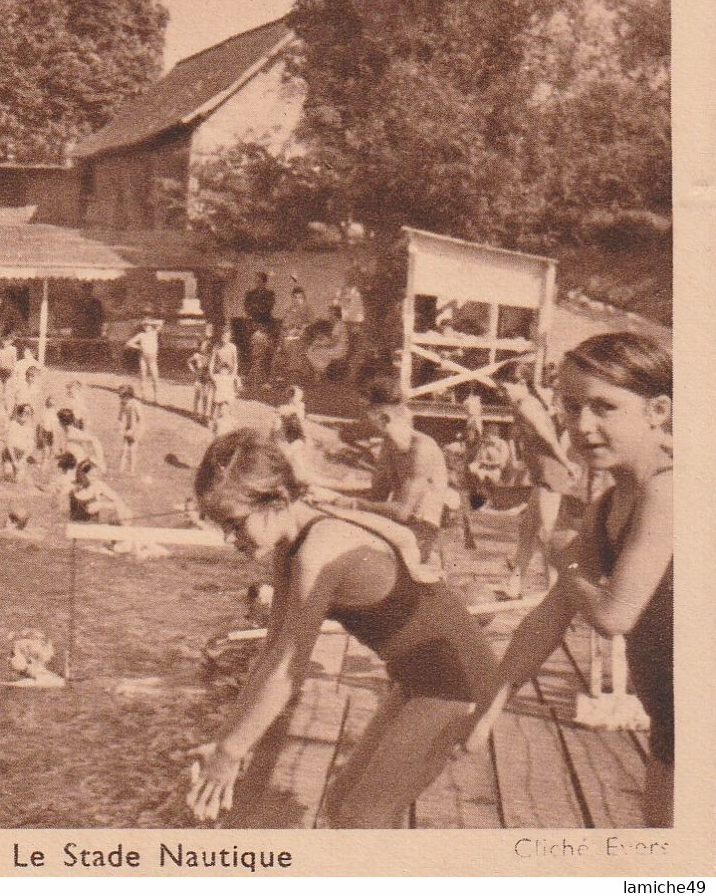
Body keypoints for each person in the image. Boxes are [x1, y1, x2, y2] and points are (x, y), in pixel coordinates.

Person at [186, 428, 498, 827]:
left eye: (234, 524)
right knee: (342, 808)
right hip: (422, 679)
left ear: (277, 498)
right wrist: (228, 742)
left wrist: (232, 755)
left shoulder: (317, 553)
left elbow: (289, 671)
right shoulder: (294, 544)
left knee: (361, 817)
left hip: (459, 682)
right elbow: (272, 654)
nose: (230, 539)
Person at [464, 332, 673, 825]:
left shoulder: (669, 491)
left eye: (605, 407)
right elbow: (552, 614)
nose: (583, 425)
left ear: (657, 411)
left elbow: (613, 616)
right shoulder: (610, 502)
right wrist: (490, 707)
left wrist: (560, 552)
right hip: (671, 718)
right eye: (572, 406)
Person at [499, 364, 583, 597]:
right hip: (542, 476)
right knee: (527, 531)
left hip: (551, 476)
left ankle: (555, 590)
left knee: (547, 534)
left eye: (506, 388)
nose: (503, 393)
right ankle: (514, 586)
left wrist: (566, 465)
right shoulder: (524, 405)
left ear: (521, 385)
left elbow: (549, 439)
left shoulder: (527, 407)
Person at [352, 385, 455, 570]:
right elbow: (376, 496)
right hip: (397, 525)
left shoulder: (422, 448)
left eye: (365, 416)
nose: (359, 421)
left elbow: (402, 511)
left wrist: (351, 504)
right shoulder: (388, 446)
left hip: (420, 530)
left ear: (384, 419)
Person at [68, 459, 131, 525]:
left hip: (92, 526)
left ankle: (123, 523)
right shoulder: (72, 486)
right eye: (91, 475)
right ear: (83, 475)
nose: (94, 478)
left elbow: (117, 499)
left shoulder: (98, 484)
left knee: (124, 510)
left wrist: (103, 505)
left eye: (96, 476)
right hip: (76, 526)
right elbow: (88, 509)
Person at [242, 271, 278, 379]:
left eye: (259, 281)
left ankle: (263, 372)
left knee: (265, 345)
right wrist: (252, 315)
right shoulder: (250, 294)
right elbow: (247, 308)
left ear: (264, 282)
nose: (257, 283)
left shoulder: (270, 294)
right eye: (256, 280)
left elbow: (266, 309)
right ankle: (252, 370)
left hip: (266, 324)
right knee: (250, 344)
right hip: (252, 324)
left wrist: (254, 308)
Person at [125, 319, 162, 404]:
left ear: (151, 326)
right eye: (144, 325)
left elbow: (160, 323)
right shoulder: (141, 335)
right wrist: (139, 347)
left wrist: (150, 322)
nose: (146, 327)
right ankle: (143, 396)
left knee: (155, 377)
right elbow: (129, 343)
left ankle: (156, 398)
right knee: (143, 376)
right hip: (143, 358)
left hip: (152, 359)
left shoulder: (154, 333)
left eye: (148, 325)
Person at [2, 403, 38, 483]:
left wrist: (22, 460)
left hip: (22, 455)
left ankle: (23, 475)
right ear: (19, 413)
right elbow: (9, 444)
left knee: (18, 481)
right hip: (10, 454)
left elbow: (30, 447)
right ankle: (9, 469)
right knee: (8, 477)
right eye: (23, 412)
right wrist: (14, 460)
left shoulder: (31, 429)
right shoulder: (13, 425)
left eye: (28, 413)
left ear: (30, 415)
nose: (24, 414)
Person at [116, 385, 143, 473]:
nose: (120, 399)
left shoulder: (135, 404)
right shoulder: (122, 404)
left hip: (136, 429)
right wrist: (121, 428)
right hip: (127, 429)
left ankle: (132, 470)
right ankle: (121, 469)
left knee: (132, 450)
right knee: (124, 449)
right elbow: (120, 418)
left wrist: (134, 431)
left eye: (122, 397)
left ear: (128, 396)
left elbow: (141, 420)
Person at [0, 336, 18, 401]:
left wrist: (14, 377)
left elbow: (15, 364)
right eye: (4, 339)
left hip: (9, 373)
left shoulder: (13, 349)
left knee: (7, 395)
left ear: (11, 341)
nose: (5, 342)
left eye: (8, 340)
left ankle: (6, 409)